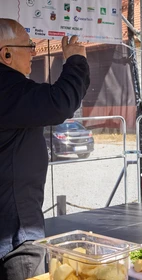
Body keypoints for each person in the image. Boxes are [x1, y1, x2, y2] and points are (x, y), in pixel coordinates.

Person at [0, 19, 90, 280]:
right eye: (28, 46)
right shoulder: (8, 89)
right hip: (15, 235)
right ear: (6, 54)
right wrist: (75, 61)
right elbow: (59, 103)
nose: (34, 51)